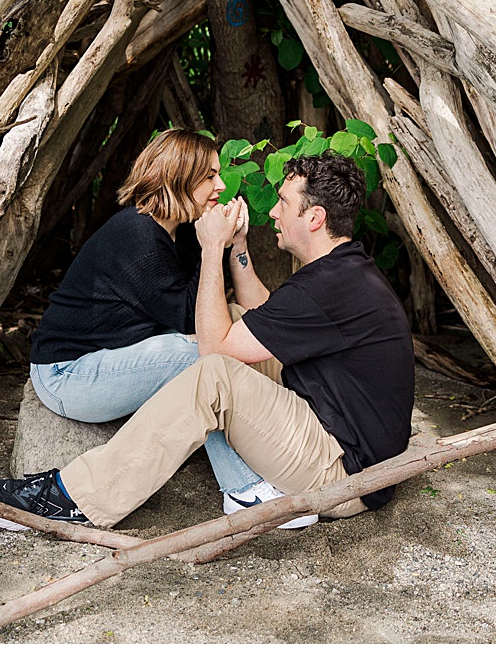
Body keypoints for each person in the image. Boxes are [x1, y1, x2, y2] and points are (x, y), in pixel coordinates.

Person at [0, 150, 415, 529]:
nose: (273, 212)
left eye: (282, 202)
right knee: (240, 322)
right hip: (339, 438)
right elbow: (260, 316)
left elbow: (212, 352)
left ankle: (77, 498)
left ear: (314, 218)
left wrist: (209, 251)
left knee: (213, 373)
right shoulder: (342, 272)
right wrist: (237, 248)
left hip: (346, 474)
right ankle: (248, 489)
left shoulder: (330, 285)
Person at [16, 129, 300, 527]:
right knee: (198, 359)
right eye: (209, 177)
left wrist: (234, 244)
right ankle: (243, 488)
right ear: (178, 177)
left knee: (236, 321)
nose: (221, 186)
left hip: (119, 356)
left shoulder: (177, 230)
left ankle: (279, 432)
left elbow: (213, 314)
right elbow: (192, 322)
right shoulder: (136, 235)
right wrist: (211, 247)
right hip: (68, 375)